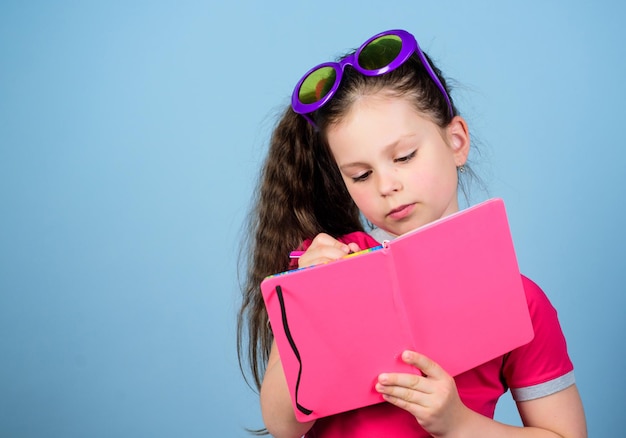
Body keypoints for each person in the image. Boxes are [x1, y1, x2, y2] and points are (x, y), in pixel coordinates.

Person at [237, 29, 587, 438]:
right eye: (361, 174)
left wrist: (459, 424)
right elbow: (283, 426)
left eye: (404, 157)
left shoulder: (519, 301)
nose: (386, 185)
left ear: (456, 141)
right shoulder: (326, 266)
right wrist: (311, 309)